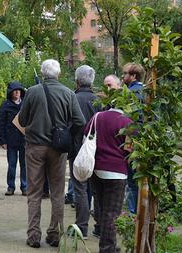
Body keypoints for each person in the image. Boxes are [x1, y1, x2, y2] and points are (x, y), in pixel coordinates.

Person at [19, 59, 85, 248]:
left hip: (35, 147)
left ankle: (33, 235)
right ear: (59, 73)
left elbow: (22, 120)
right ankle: (54, 233)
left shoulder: (32, 92)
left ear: (42, 72)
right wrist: (65, 134)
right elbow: (80, 121)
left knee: (34, 192)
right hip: (58, 149)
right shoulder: (68, 93)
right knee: (57, 192)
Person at [85, 105, 133, 253]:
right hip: (116, 172)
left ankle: (107, 243)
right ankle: (107, 248)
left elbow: (86, 134)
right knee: (112, 213)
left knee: (101, 207)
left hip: (96, 169)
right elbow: (130, 149)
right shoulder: (127, 122)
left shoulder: (97, 116)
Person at [69, 65, 100, 238]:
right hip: (96, 151)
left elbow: (70, 124)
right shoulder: (99, 100)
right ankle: (100, 227)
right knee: (97, 190)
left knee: (80, 189)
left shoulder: (73, 98)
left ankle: (82, 228)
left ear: (77, 81)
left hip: (77, 150)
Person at [121, 63, 145, 214]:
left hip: (132, 139)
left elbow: (128, 119)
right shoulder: (147, 90)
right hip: (144, 140)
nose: (122, 76)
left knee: (132, 179)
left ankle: (132, 214)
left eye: (125, 74)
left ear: (133, 76)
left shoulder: (130, 93)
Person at [0, 81, 27, 196]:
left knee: (24, 165)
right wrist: (3, 141)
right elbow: (2, 124)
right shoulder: (5, 105)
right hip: (11, 140)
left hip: (24, 139)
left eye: (19, 91)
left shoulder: (25, 104)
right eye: (15, 91)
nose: (17, 93)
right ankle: (11, 187)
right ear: (10, 93)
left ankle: (24, 187)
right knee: (12, 164)